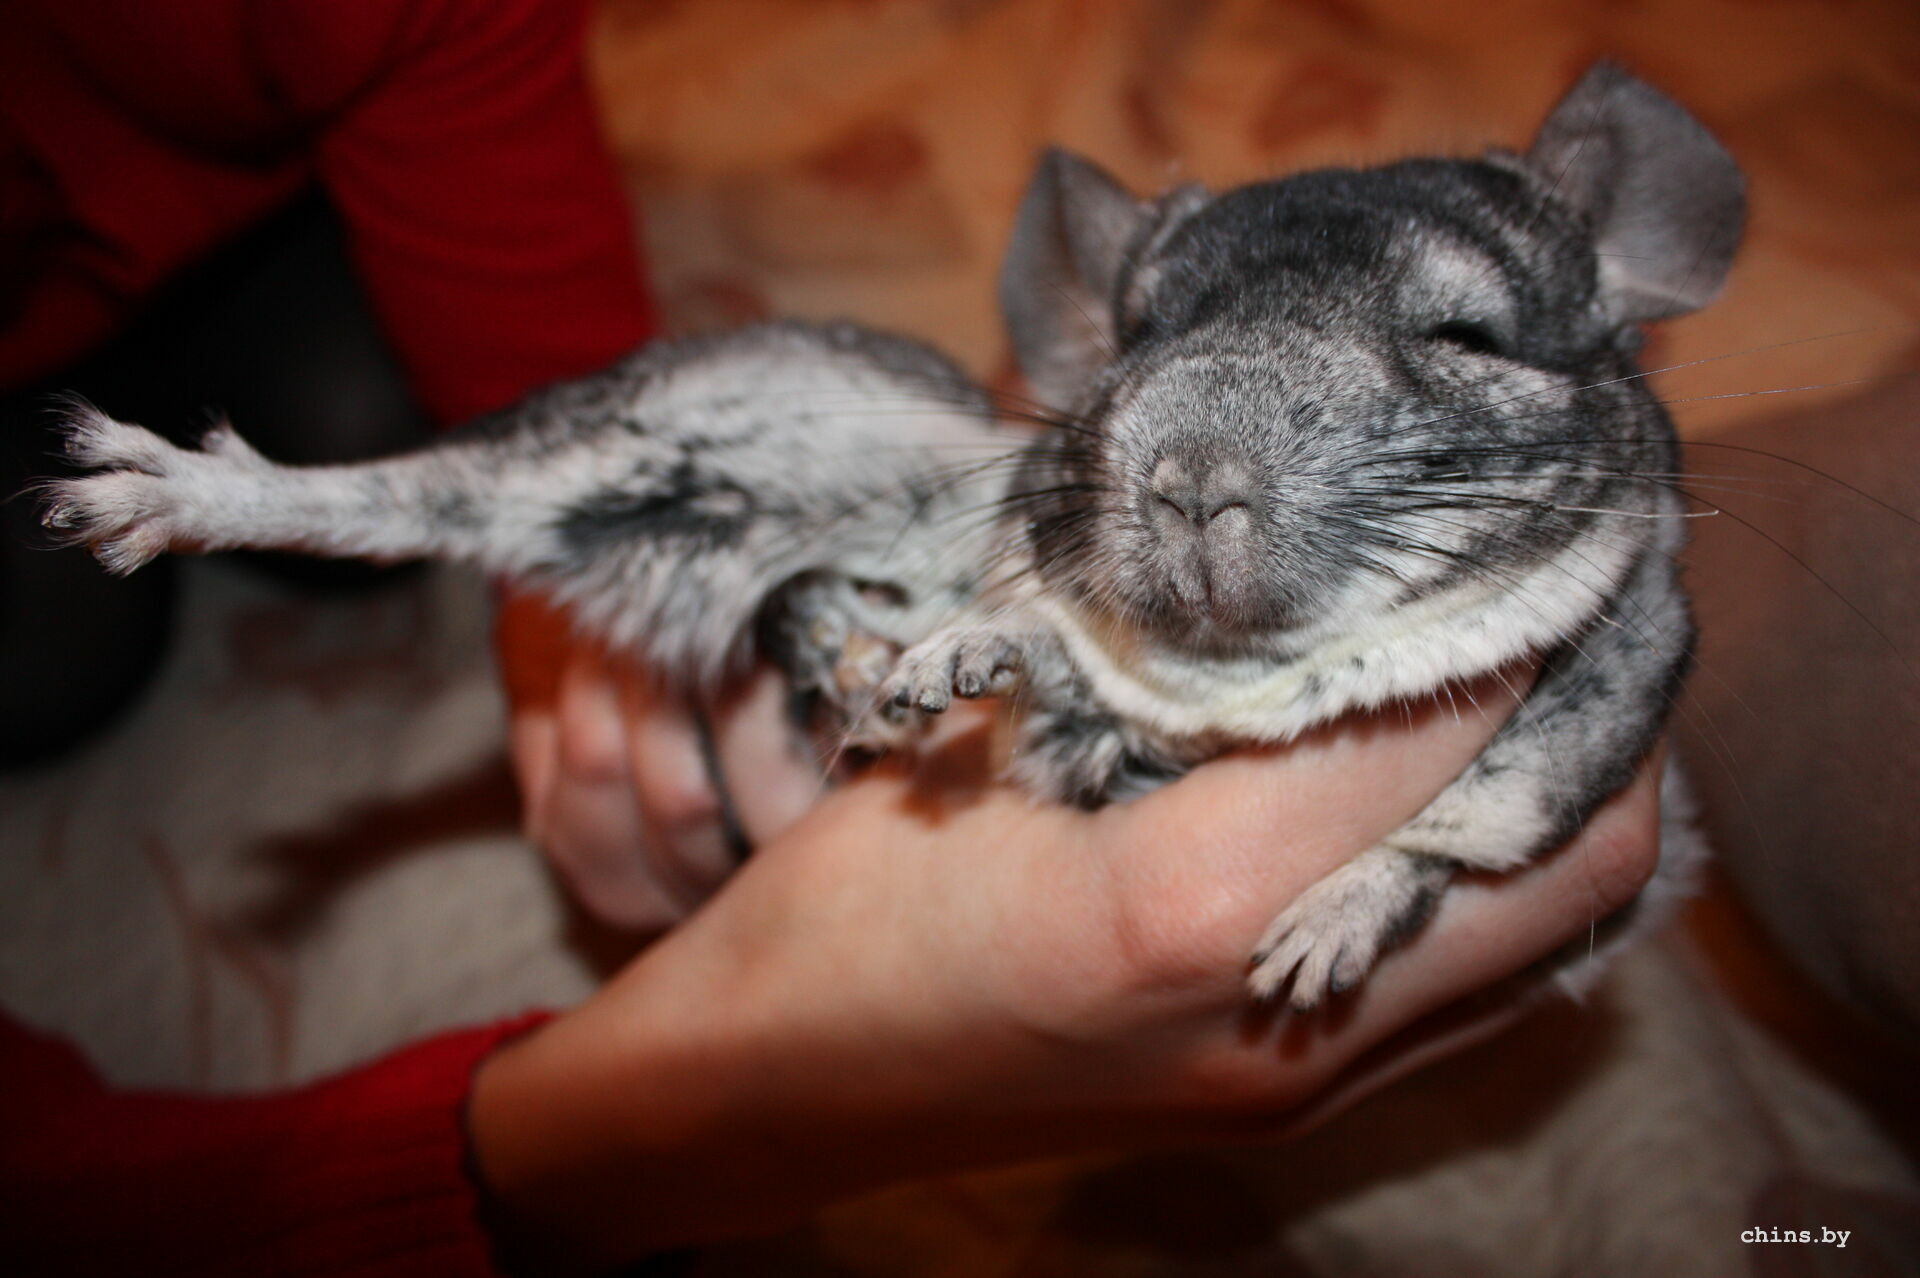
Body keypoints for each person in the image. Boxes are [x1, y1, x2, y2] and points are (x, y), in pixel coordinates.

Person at [0, 1, 1666, 1273]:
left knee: (345, 389)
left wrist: (558, 609)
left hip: (238, 173)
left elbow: (549, 320)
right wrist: (723, 1085)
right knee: (52, 651)